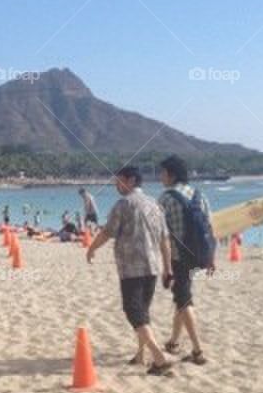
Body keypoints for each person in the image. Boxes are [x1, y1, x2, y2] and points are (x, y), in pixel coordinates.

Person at [87, 165, 175, 375]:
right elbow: (165, 239)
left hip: (131, 268)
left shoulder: (124, 204)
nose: (116, 185)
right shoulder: (155, 204)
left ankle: (159, 358)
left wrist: (91, 248)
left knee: (133, 312)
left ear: (132, 180)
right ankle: (140, 354)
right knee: (143, 311)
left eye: (119, 181)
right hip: (152, 266)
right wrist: (167, 267)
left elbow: (108, 232)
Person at [157, 154, 214, 365]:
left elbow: (160, 234)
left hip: (178, 259)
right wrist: (211, 258)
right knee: (182, 297)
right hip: (198, 255)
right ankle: (173, 342)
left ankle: (198, 351)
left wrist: (165, 266)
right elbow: (210, 228)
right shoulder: (200, 195)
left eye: (162, 172)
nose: (160, 176)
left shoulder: (165, 198)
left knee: (184, 300)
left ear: (171, 175)